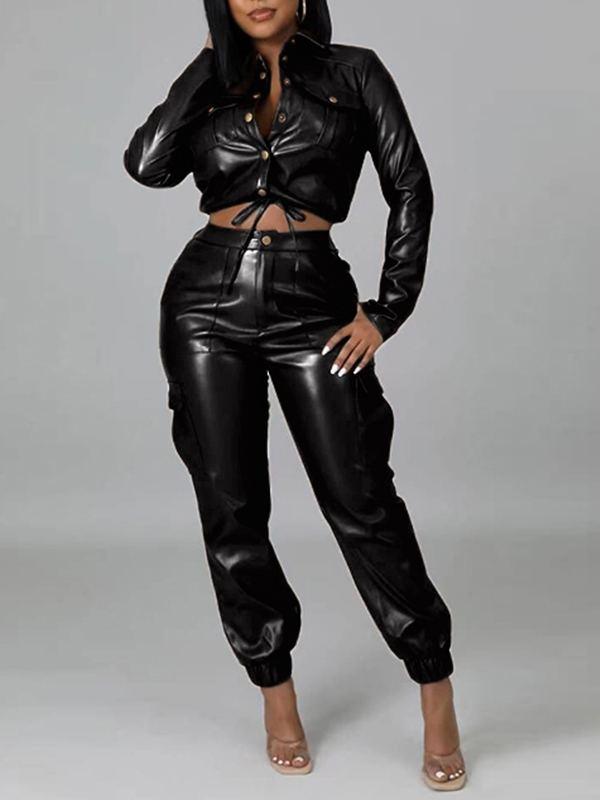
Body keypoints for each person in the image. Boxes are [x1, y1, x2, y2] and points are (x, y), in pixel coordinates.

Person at [123, 0, 467, 789]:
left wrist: (386, 311)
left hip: (315, 301)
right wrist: (206, 62)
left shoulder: (356, 72)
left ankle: (435, 684)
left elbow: (410, 187)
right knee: (231, 506)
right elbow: (148, 164)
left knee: (362, 499)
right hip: (206, 303)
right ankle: (275, 692)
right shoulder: (214, 78)